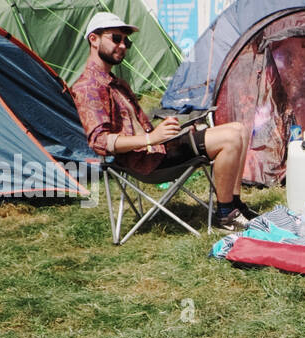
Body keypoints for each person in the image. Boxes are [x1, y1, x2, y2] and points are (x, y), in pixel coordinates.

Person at [71, 12, 256, 230]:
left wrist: (166, 131)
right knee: (230, 138)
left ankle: (234, 204)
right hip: (146, 163)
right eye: (116, 38)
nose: (123, 46)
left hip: (158, 150)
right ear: (94, 39)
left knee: (239, 129)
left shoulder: (116, 82)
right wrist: (151, 138)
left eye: (126, 41)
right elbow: (100, 142)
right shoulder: (87, 87)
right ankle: (226, 214)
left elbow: (137, 127)